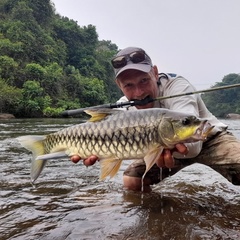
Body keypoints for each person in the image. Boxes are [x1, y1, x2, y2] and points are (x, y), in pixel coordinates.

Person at [70, 46, 240, 192]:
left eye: (144, 80)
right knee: (132, 181)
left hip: (210, 139)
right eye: (129, 85)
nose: (139, 93)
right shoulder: (123, 109)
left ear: (155, 73)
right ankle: (158, 216)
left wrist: (162, 148)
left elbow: (193, 143)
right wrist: (100, 149)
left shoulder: (178, 86)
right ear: (119, 86)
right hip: (160, 146)